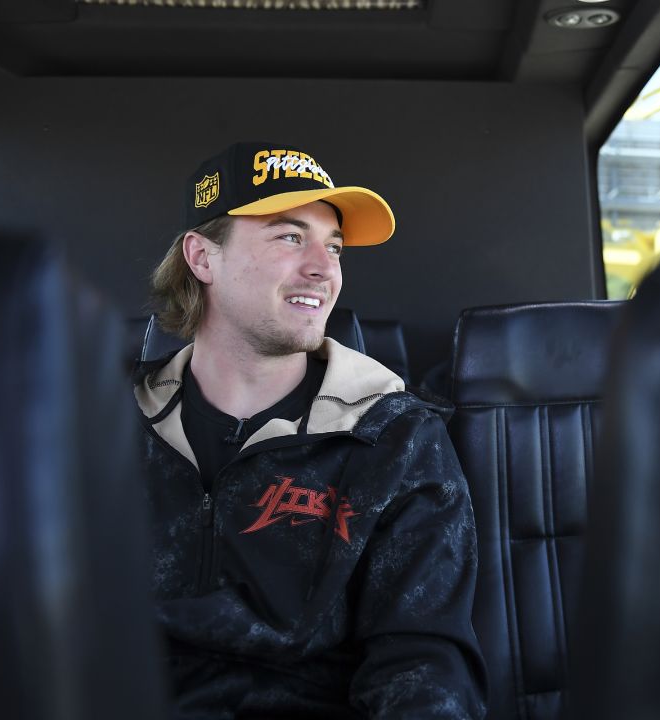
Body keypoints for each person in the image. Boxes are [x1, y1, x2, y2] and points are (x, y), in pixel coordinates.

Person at [132, 142, 486, 718]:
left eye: (335, 246)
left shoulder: (393, 437)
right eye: (289, 236)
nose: (323, 269)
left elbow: (422, 660)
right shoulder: (101, 421)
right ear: (202, 258)